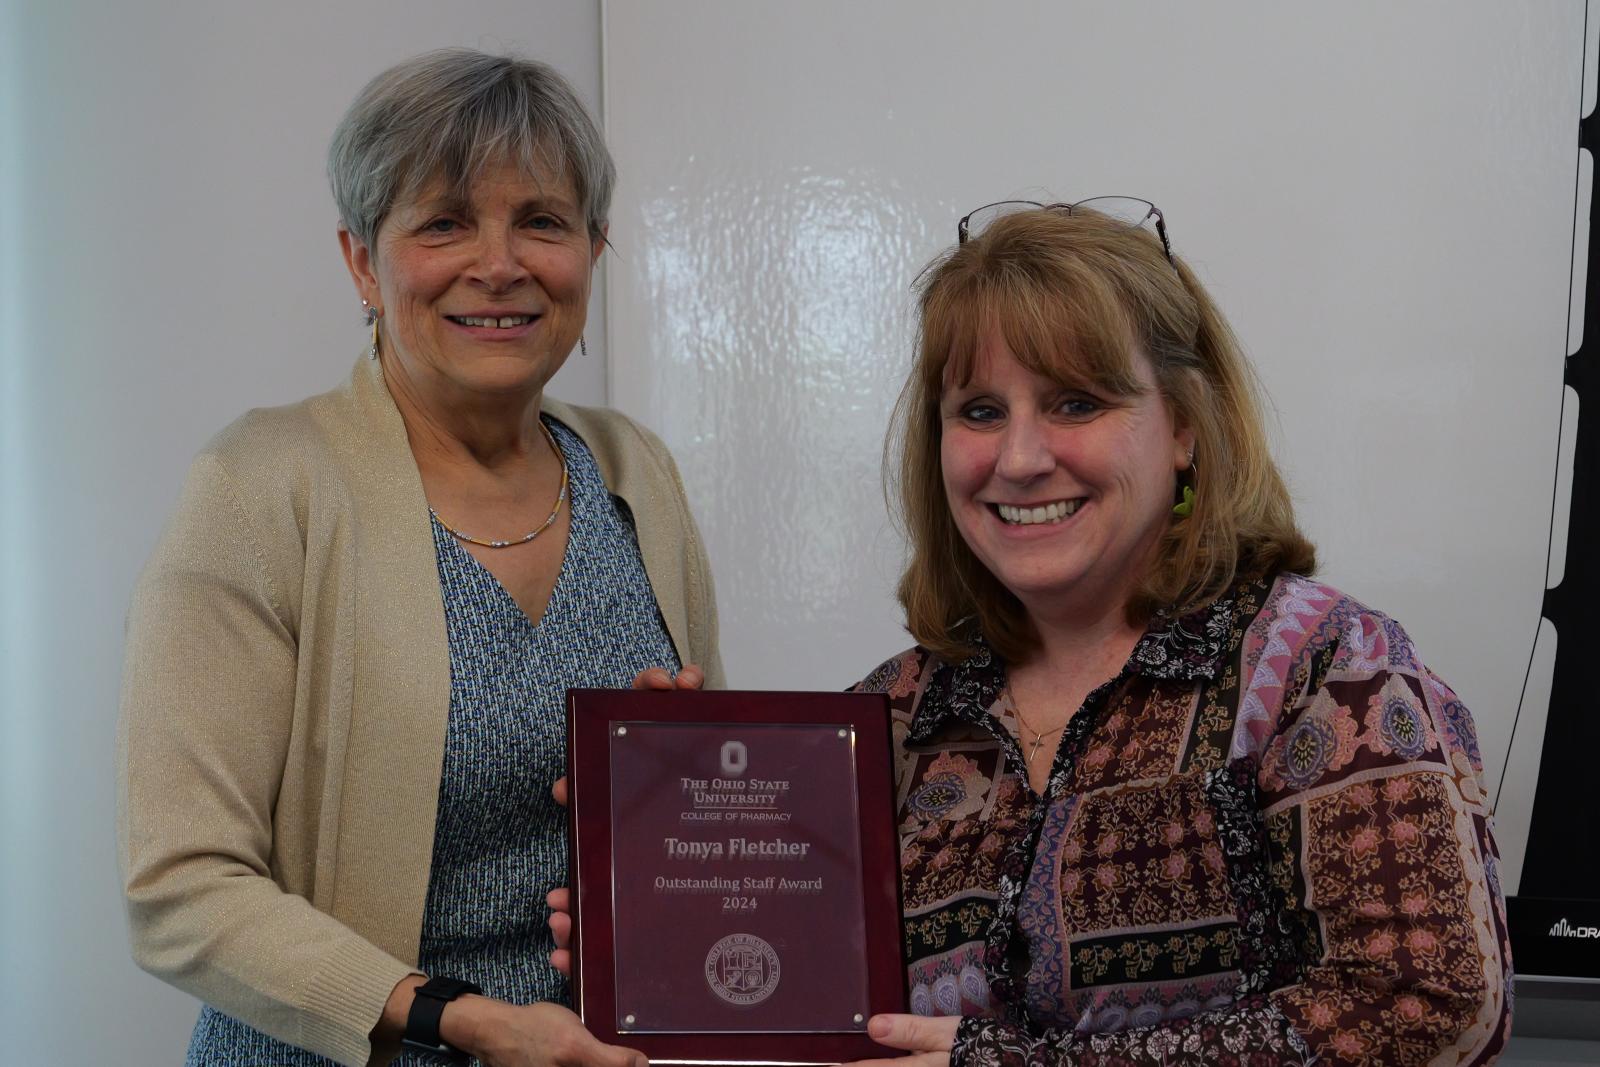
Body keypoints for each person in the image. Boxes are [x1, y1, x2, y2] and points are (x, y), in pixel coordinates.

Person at [117, 49, 718, 1067]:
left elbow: (696, 853)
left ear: (594, 249)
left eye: (542, 219)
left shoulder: (637, 474)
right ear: (362, 260)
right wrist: (469, 1018)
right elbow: (180, 890)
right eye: (444, 221)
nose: (500, 262)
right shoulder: (259, 488)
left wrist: (674, 785)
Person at [845, 200, 1512, 1065]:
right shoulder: (887, 716)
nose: (1018, 458)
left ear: (1186, 427)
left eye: (1076, 403)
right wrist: (646, 787)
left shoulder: (1325, 671)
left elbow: (1432, 1004)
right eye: (977, 411)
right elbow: (766, 994)